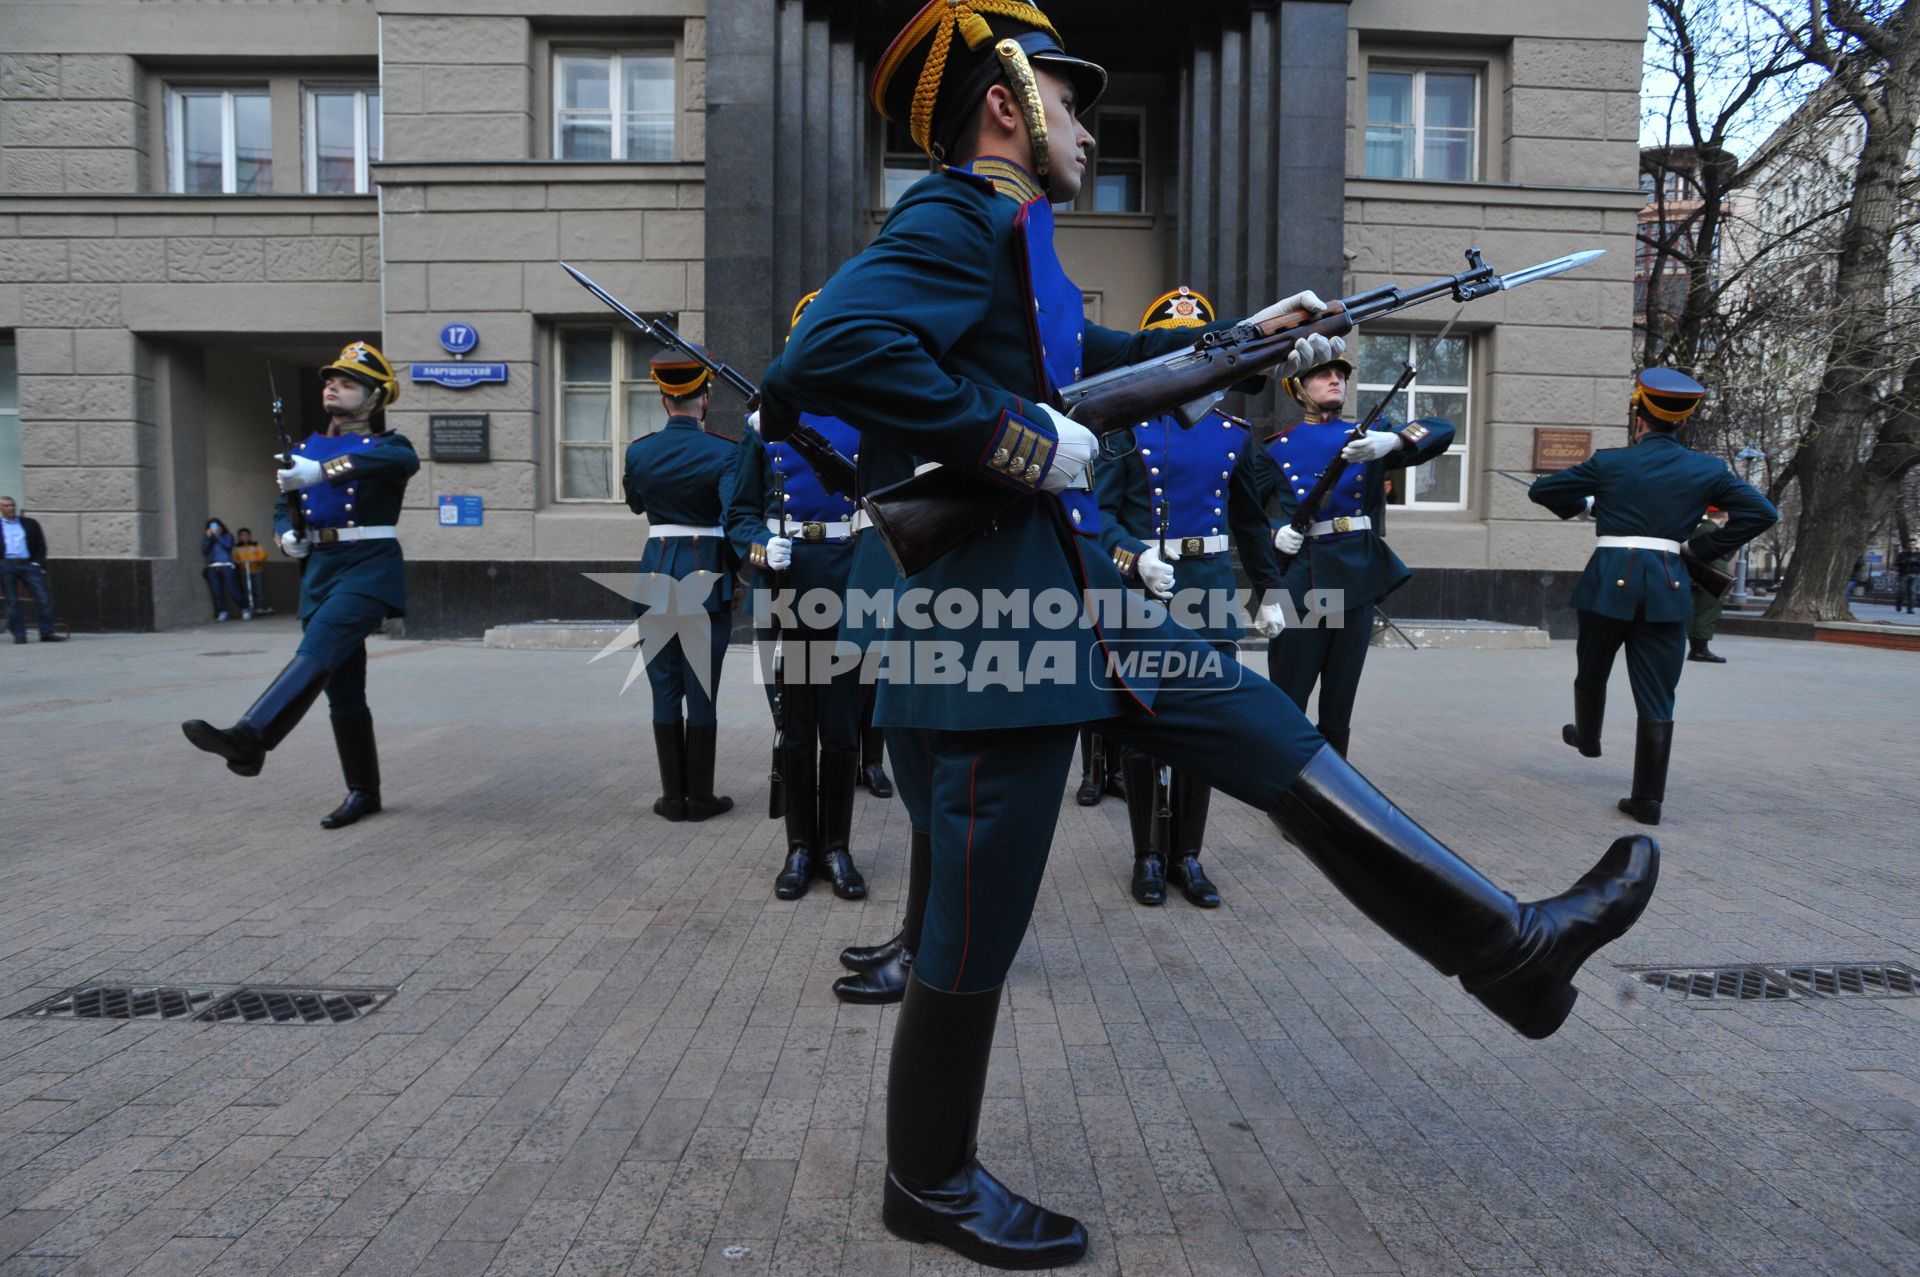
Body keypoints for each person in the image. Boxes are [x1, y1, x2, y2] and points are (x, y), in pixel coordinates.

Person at [761, 4, 1661, 1267]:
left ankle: (1510, 947)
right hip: (991, 616)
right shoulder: (955, 214)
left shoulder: (1016, 240)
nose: (1083, 126)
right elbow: (831, 348)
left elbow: (1090, 359)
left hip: (1078, 594)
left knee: (1267, 729)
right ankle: (930, 1179)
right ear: (1007, 102)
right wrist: (1021, 440)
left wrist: (1238, 342)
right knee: (973, 921)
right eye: (1071, 102)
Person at [181, 341, 417, 829]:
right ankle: (363, 791)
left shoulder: (388, 446)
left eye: (348, 382)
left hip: (368, 569)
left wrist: (323, 473)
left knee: (317, 650)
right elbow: (281, 502)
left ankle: (253, 736)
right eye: (331, 379)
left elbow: (397, 464)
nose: (333, 386)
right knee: (343, 692)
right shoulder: (302, 451)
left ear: (374, 399)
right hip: (320, 572)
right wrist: (286, 535)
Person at [1531, 367, 1776, 826]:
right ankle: (1647, 801)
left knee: (1592, 669)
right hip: (1668, 585)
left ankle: (1587, 736)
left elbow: (1542, 491)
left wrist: (1585, 503)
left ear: (1638, 415)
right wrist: (1701, 547)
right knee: (1659, 696)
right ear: (1680, 420)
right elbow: (1763, 512)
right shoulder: (1707, 469)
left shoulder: (1611, 463)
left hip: (1608, 583)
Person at [1095, 285, 1271, 908]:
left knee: (1206, 725)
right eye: (1182, 356)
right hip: (1145, 586)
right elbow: (1097, 512)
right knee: (1144, 725)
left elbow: (1249, 519)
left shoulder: (1232, 431)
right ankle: (1147, 854)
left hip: (1210, 586)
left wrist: (1268, 589)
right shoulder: (1126, 429)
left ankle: (1188, 857)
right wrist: (1132, 554)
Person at [726, 292, 868, 899]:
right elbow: (737, 513)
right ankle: (799, 848)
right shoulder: (764, 425)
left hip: (847, 579)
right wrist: (762, 544)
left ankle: (836, 846)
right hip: (788, 585)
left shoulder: (868, 419)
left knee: (840, 730)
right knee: (794, 727)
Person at [1249, 348, 1455, 758]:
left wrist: (1392, 440)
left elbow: (1442, 430)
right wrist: (1274, 533)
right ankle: (1287, 787)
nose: (1335, 380)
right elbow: (1242, 511)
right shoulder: (1276, 448)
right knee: (1289, 694)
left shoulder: (1370, 434)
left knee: (1339, 703)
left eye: (1340, 374)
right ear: (1298, 388)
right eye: (1323, 374)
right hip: (1300, 582)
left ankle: (1332, 793)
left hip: (1355, 578)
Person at [624, 349, 737, 823]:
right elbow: (734, 517)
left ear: (664, 399)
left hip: (654, 573)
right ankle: (702, 797)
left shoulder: (640, 450)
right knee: (702, 690)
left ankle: (673, 799)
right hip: (705, 577)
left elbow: (635, 505)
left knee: (664, 688)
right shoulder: (726, 451)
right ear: (704, 398)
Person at [1, 496, 65, 644]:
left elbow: (40, 544)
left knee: (43, 598)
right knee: (12, 601)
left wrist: (37, 563)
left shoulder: (29, 523)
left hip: (28, 564)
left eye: (12, 505)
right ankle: (19, 634)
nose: (10, 508)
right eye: (6, 506)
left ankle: (46, 632)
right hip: (7, 565)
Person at [1686, 507, 1732, 662]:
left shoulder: (1700, 528)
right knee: (1708, 613)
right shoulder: (1712, 531)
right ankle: (1700, 650)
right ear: (1724, 514)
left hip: (1701, 578)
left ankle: (1697, 648)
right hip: (1711, 580)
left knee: (1699, 612)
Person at [202, 518, 242, 620]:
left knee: (232, 589)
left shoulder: (228, 536)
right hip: (212, 566)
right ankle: (223, 611)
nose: (214, 529)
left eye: (216, 526)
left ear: (221, 526)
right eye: (211, 527)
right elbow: (204, 550)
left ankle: (245, 608)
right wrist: (208, 537)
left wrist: (218, 536)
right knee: (217, 591)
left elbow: (228, 546)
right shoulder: (208, 538)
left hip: (226, 565)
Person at [233, 528, 267, 618]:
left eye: (246, 535)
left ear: (249, 536)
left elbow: (262, 555)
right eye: (242, 535)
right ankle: (248, 607)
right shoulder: (237, 547)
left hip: (256, 570)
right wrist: (238, 562)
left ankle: (259, 607)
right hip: (244, 571)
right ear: (239, 537)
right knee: (246, 590)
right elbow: (235, 557)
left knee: (258, 589)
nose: (245, 537)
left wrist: (258, 559)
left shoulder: (255, 545)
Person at [1896, 540, 1920, 613]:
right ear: (1908, 545)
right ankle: (1899, 603)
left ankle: (1910, 608)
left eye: (1913, 544)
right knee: (1901, 592)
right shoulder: (1902, 554)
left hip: (1915, 574)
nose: (1912, 546)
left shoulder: (1919, 554)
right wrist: (1904, 562)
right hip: (1904, 574)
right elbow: (1896, 563)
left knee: (1912, 591)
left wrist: (1916, 562)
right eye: (1910, 544)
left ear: (1915, 545)